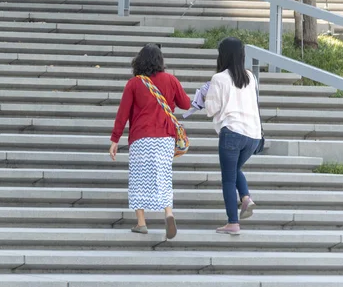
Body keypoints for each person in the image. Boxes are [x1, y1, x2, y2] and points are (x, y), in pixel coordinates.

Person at [109, 43, 191, 239]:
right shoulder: (170, 80)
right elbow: (186, 104)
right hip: (164, 138)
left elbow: (123, 113)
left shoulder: (134, 83)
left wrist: (114, 140)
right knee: (163, 175)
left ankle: (141, 223)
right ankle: (168, 214)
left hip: (141, 138)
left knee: (138, 179)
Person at [204, 37, 262, 235]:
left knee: (228, 178)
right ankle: (245, 198)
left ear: (223, 55)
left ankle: (233, 223)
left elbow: (211, 109)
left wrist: (205, 96)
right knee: (235, 169)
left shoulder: (219, 78)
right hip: (253, 136)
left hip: (232, 133)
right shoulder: (250, 77)